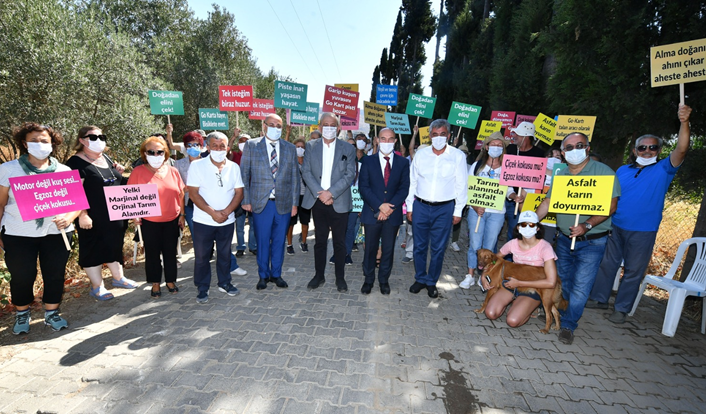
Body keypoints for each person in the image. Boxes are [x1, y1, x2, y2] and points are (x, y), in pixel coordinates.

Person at [588, 104, 693, 323]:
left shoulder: (664, 169)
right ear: (635, 151)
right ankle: (599, 299)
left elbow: (682, 149)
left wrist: (684, 122)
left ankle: (621, 309)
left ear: (659, 151)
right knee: (608, 264)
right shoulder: (622, 171)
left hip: (643, 230)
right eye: (642, 148)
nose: (647, 151)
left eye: (652, 148)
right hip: (615, 225)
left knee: (634, 271)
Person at [536, 132, 620, 345]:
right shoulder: (561, 175)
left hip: (593, 241)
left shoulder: (604, 173)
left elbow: (611, 206)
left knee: (581, 286)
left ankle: (568, 325)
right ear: (563, 153)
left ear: (588, 148)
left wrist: (587, 225)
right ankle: (557, 312)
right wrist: (529, 220)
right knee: (563, 281)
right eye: (570, 147)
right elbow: (547, 202)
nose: (575, 150)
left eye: (579, 145)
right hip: (564, 239)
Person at [0, 124, 80, 334]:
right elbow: (0, 204)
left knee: (55, 275)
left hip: (56, 234)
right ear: (24, 144)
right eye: (34, 141)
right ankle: (22, 314)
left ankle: (52, 314)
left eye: (44, 140)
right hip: (18, 233)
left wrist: (68, 218)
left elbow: (77, 204)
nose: (40, 144)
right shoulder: (8, 169)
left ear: (52, 143)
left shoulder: (64, 170)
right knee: (22, 276)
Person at [67, 126, 137, 301]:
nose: (98, 140)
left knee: (114, 245)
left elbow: (113, 181)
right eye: (92, 137)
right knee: (92, 249)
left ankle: (118, 278)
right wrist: (82, 214)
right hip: (92, 216)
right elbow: (73, 192)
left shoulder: (105, 157)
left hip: (115, 214)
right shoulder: (74, 163)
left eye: (101, 136)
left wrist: (119, 172)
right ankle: (97, 287)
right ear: (82, 140)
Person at [405, 119, 467, 298]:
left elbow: (461, 185)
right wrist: (410, 206)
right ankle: (420, 278)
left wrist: (458, 210)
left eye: (442, 134)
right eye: (435, 134)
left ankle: (431, 281)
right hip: (421, 206)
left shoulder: (457, 156)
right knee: (419, 246)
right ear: (430, 135)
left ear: (448, 135)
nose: (438, 138)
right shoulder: (421, 155)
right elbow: (412, 182)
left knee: (439, 248)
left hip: (444, 209)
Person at [241, 114, 299, 290]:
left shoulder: (290, 148)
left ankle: (276, 274)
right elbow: (244, 174)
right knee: (262, 240)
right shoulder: (251, 145)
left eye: (279, 125)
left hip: (284, 203)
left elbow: (295, 177)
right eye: (272, 124)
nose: (275, 128)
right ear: (264, 126)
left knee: (280, 241)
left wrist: (295, 203)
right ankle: (263, 275)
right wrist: (246, 199)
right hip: (261, 203)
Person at [187, 131, 246, 303]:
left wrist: (226, 212)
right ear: (207, 147)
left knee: (225, 254)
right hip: (203, 221)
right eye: (215, 146)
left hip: (227, 221)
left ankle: (225, 283)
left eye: (222, 146)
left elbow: (239, 193)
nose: (219, 149)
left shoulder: (234, 167)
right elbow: (193, 194)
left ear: (227, 147)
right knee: (202, 257)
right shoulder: (197, 166)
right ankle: (202, 287)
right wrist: (213, 212)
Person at [301, 113, 356, 292]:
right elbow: (307, 172)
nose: (329, 127)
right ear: (320, 126)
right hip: (317, 201)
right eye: (326, 124)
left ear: (338, 128)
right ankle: (319, 276)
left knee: (339, 242)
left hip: (339, 200)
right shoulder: (311, 146)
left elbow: (350, 174)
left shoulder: (348, 148)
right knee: (320, 241)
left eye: (333, 124)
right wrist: (321, 194)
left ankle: (340, 278)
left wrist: (331, 193)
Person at [127, 136, 185, 298]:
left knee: (170, 252)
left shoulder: (173, 171)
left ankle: (171, 281)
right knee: (152, 254)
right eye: (151, 151)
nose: (155, 154)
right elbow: (130, 197)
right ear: (144, 153)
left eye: (159, 151)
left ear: (165, 153)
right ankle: (155, 283)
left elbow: (180, 194)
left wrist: (182, 214)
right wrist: (135, 216)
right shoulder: (138, 172)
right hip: (149, 222)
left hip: (172, 220)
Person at [460, 132, 518, 289]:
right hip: (476, 211)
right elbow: (468, 188)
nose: (496, 147)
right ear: (486, 147)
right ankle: (470, 275)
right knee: (474, 245)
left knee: (490, 247)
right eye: (493, 144)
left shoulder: (507, 168)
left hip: (497, 213)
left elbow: (509, 190)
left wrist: (514, 196)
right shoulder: (477, 166)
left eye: (500, 145)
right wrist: (474, 207)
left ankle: (485, 277)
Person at [482, 211, 558, 327]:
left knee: (512, 321)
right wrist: (484, 276)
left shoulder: (545, 247)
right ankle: (515, 301)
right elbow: (493, 260)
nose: (527, 227)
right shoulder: (512, 244)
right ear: (518, 227)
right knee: (490, 313)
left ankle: (531, 305)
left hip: (533, 288)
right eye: (523, 224)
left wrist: (519, 283)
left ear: (537, 228)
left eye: (531, 225)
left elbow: (551, 282)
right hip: (510, 284)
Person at [358, 128, 410, 295]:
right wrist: (380, 206)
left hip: (392, 215)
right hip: (372, 212)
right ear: (377, 140)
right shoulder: (368, 161)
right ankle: (368, 280)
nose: (386, 142)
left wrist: (389, 207)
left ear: (395, 141)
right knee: (370, 249)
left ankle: (383, 280)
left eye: (390, 139)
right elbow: (363, 187)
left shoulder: (402, 163)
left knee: (388, 249)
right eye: (383, 138)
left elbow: (404, 189)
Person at [504, 121, 543, 241]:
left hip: (528, 201)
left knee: (521, 233)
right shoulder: (509, 149)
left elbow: (539, 178)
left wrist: (525, 195)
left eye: (518, 134)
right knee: (512, 231)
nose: (514, 136)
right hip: (509, 198)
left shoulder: (539, 154)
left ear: (526, 137)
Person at [174, 131, 205, 234]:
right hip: (188, 204)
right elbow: (175, 187)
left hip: (207, 202)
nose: (192, 147)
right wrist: (184, 188)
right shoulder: (177, 164)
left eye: (196, 144)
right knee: (196, 232)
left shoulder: (209, 163)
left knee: (208, 233)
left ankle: (209, 250)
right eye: (189, 145)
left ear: (201, 146)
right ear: (185, 147)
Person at [286, 138, 311, 254]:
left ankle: (304, 242)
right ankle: (289, 244)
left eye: (302, 147)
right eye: (297, 147)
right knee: (291, 223)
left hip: (305, 196)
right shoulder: (289, 161)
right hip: (292, 197)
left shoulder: (308, 162)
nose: (300, 149)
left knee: (305, 222)